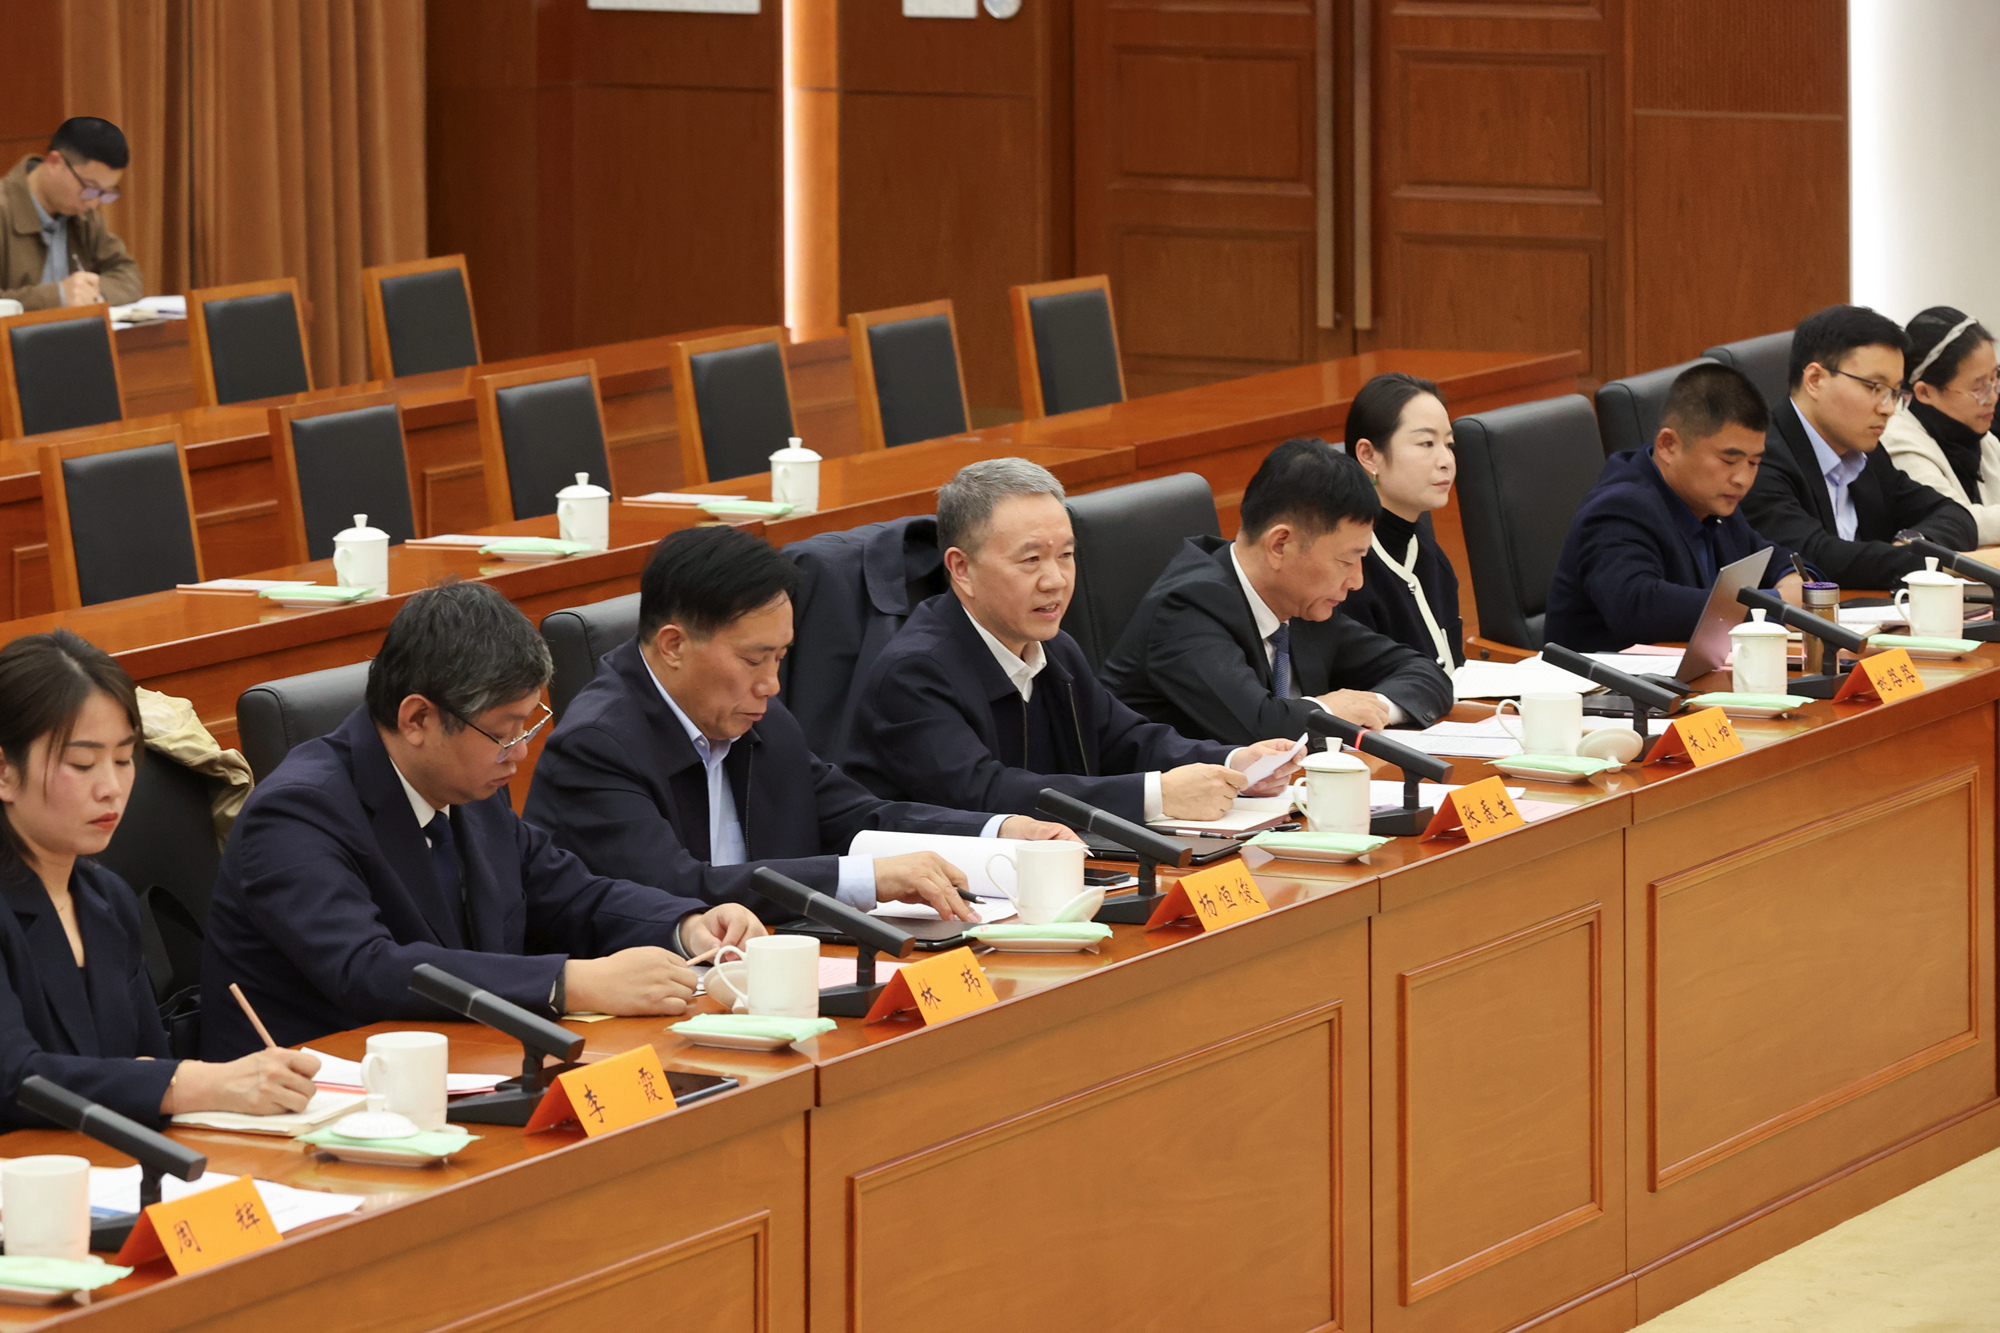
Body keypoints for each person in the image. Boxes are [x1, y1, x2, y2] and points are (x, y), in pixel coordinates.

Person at [201, 580, 762, 1058]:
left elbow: (568, 893)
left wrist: (687, 925)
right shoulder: (297, 813)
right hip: (310, 1099)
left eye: (527, 726)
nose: (519, 753)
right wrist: (570, 982)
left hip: (463, 1063)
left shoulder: (469, 786)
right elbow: (368, 969)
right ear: (417, 719)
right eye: (503, 732)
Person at [526, 527, 1079, 925]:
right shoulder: (597, 746)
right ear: (673, 645)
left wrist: (1002, 830)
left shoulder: (760, 717)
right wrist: (864, 878)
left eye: (781, 658)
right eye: (753, 659)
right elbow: (677, 889)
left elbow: (860, 817)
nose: (771, 684)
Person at [850, 459, 1301, 824]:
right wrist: (1155, 794)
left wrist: (1234, 762)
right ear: (962, 569)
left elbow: (1123, 739)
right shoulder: (915, 673)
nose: (1056, 580)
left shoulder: (1055, 647)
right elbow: (985, 793)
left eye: (1065, 555)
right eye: (1031, 559)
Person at [0, 632, 316, 1130]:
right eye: (82, 764)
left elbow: (147, 1069)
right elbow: (15, 1080)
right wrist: (204, 1082)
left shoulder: (108, 899)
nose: (111, 787)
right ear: (4, 772)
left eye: (124, 759)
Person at [1101, 439, 1453, 746]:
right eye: (1347, 560)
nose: (1357, 581)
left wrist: (1372, 709)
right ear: (1280, 544)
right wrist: (1331, 712)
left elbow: (1423, 672)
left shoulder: (1301, 603)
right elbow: (1257, 730)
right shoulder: (1187, 607)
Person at [1544, 363, 1802, 652]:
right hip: (1604, 678)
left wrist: (1792, 579)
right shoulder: (1619, 507)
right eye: (1729, 461)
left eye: (1753, 463)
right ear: (1668, 445)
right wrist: (1773, 605)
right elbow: (1639, 606)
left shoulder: (1714, 501)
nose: (1742, 479)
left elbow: (1766, 556)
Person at [1741, 304, 1976, 588]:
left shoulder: (1865, 453)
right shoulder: (1759, 457)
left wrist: (1912, 544)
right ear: (1815, 380)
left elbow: (1954, 515)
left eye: (1895, 392)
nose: (1889, 409)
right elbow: (1815, 557)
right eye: (1874, 387)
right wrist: (1923, 561)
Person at [1340, 374, 1466, 670]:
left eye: (1448, 443)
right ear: (1369, 455)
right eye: (1426, 443)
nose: (1446, 460)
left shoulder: (1428, 552)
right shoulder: (1343, 572)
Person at [1882, 307, 2000, 547]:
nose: (1993, 397)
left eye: (1995, 378)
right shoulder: (1897, 440)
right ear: (1925, 392)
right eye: (1978, 388)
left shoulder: (1979, 436)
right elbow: (1953, 522)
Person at [1, 118, 142, 311]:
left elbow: (128, 275)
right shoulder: (5, 210)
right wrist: (57, 297)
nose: (93, 203)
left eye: (104, 193)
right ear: (54, 162)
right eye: (89, 189)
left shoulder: (83, 216)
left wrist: (91, 294)